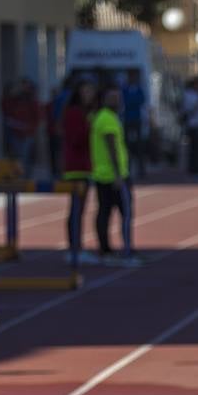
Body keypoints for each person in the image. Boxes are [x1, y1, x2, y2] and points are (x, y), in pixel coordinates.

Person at [89, 87, 135, 263]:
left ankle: (106, 249)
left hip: (103, 174)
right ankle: (126, 249)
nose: (118, 101)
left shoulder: (103, 117)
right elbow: (112, 148)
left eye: (119, 97)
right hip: (113, 175)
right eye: (113, 98)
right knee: (124, 212)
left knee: (104, 212)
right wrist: (117, 174)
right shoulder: (107, 119)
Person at [62, 79, 96, 260]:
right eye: (86, 91)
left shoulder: (87, 112)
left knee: (80, 210)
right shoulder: (74, 113)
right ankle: (74, 248)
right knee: (75, 209)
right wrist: (90, 127)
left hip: (86, 166)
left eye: (91, 91)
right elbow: (76, 139)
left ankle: (76, 246)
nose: (89, 95)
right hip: (76, 168)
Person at [122, 69, 147, 179]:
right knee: (126, 144)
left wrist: (132, 101)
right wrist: (132, 101)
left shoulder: (138, 89)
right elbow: (125, 101)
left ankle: (141, 169)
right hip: (127, 119)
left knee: (139, 145)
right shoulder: (125, 89)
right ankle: (127, 168)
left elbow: (141, 100)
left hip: (137, 119)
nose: (132, 79)